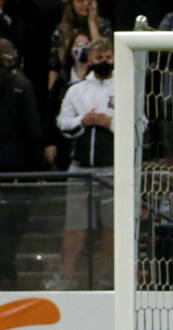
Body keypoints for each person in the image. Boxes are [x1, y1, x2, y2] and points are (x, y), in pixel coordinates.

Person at [51, 37, 114, 290]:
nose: (104, 62)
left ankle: (109, 275)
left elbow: (139, 123)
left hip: (112, 169)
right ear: (89, 60)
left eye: (108, 57)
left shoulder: (125, 86)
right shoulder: (76, 90)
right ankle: (68, 276)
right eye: (99, 58)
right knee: (75, 227)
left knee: (112, 227)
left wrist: (110, 123)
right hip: (80, 169)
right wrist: (82, 121)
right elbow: (62, 122)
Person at [0, 38, 42, 289]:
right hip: (16, 170)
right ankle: (7, 273)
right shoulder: (21, 86)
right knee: (11, 228)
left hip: (14, 167)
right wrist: (38, 169)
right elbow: (33, 130)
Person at [44, 33, 90, 170]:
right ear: (71, 50)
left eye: (86, 45)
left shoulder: (96, 80)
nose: (82, 49)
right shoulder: (61, 81)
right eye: (78, 45)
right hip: (64, 142)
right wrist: (49, 143)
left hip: (87, 143)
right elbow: (50, 113)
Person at [48, 0, 111, 92]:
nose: (85, 4)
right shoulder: (61, 29)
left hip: (96, 83)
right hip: (67, 83)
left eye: (89, 1)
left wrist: (92, 22)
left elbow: (101, 53)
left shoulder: (103, 25)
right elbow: (54, 66)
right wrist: (51, 91)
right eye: (80, 1)